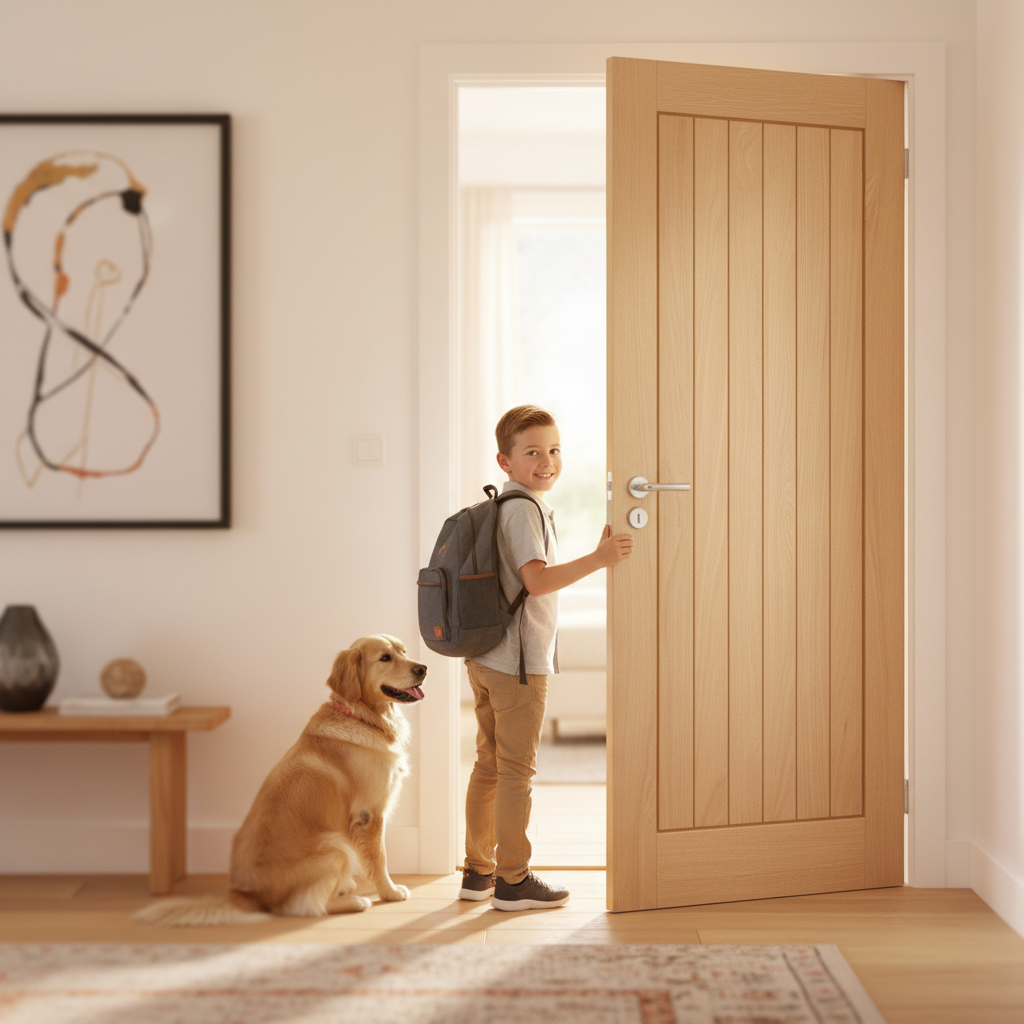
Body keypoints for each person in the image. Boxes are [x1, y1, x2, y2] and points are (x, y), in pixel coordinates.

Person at [459, 404, 634, 910]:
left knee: (489, 764)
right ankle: (513, 880)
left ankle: (478, 873)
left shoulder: (503, 506)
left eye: (554, 450)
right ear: (504, 460)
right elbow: (536, 582)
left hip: (487, 655)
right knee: (516, 770)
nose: (546, 461)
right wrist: (598, 560)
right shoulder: (524, 509)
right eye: (532, 451)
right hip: (517, 663)